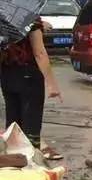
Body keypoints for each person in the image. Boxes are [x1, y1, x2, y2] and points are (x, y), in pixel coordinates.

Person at [0, 22, 61, 159]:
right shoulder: (30, 19)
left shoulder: (4, 17)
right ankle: (31, 160)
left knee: (13, 121)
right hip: (29, 75)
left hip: (6, 74)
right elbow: (39, 53)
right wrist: (52, 84)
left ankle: (13, 160)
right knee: (31, 122)